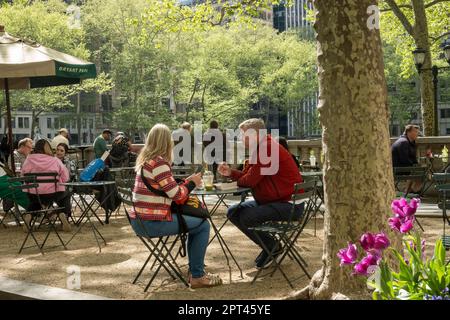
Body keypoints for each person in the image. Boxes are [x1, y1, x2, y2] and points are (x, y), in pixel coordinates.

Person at [131, 124, 222, 288]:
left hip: (140, 221)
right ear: (167, 142)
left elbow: (168, 190)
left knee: (195, 223)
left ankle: (195, 270)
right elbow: (178, 195)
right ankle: (197, 275)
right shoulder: (159, 163)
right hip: (152, 223)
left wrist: (186, 182)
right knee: (202, 225)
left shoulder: (145, 162)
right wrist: (192, 183)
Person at [218, 118, 304, 269]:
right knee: (233, 211)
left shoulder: (267, 149)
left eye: (244, 135)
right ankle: (270, 245)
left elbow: (250, 181)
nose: (241, 138)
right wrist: (231, 172)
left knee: (246, 216)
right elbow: (247, 177)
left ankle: (272, 246)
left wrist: (233, 181)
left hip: (288, 204)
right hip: (276, 201)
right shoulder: (260, 149)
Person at [21, 139, 71, 231]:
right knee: (66, 194)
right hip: (52, 194)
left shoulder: (28, 159)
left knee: (36, 201)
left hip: (33, 194)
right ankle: (62, 213)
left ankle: (29, 215)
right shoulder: (55, 160)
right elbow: (66, 177)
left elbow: (22, 175)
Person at [391, 124, 422, 193]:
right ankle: (409, 192)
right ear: (409, 132)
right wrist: (415, 167)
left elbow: (413, 159)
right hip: (398, 169)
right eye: (415, 131)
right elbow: (404, 160)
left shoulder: (410, 142)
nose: (417, 134)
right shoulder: (403, 142)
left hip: (404, 168)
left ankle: (409, 191)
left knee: (421, 172)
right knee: (420, 174)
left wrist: (417, 165)